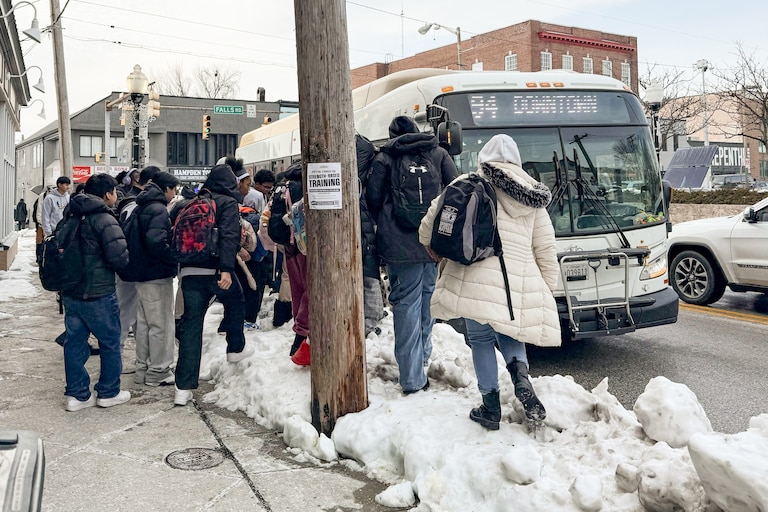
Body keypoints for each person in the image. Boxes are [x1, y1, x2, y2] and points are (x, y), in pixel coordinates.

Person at [418, 134, 561, 430]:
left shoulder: (466, 183)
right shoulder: (532, 194)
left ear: (484, 158)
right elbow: (545, 248)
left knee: (481, 340)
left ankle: (490, 407)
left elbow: (427, 228)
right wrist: (547, 287)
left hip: (472, 277)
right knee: (511, 333)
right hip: (515, 285)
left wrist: (439, 254)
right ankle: (521, 380)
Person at [365, 115, 458, 394]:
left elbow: (372, 199)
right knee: (426, 301)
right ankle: (423, 356)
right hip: (432, 245)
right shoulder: (439, 153)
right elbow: (455, 190)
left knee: (406, 306)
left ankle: (412, 378)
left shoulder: (385, 158)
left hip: (398, 246)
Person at [173, 164, 254, 406]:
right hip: (215, 270)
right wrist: (226, 269)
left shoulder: (189, 203)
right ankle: (235, 347)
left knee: (191, 326)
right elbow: (229, 236)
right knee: (238, 300)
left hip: (189, 272)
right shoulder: (227, 203)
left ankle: (183, 388)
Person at [60, 173, 131, 411]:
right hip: (99, 293)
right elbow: (119, 257)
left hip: (71, 292)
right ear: (107, 194)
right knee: (110, 342)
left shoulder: (69, 216)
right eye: (114, 191)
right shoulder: (105, 219)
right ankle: (108, 392)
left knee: (74, 342)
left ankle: (77, 395)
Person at [125, 171, 180, 387]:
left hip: (140, 275)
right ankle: (159, 370)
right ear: (166, 189)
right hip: (156, 274)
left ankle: (143, 368)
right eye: (173, 190)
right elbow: (157, 242)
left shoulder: (141, 206)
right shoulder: (158, 209)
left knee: (145, 325)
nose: (174, 194)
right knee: (161, 325)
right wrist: (172, 258)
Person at [115, 166, 161, 360]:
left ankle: (136, 360)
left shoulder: (126, 201)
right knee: (128, 316)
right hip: (135, 267)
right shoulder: (139, 204)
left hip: (126, 266)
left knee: (131, 316)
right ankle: (116, 361)